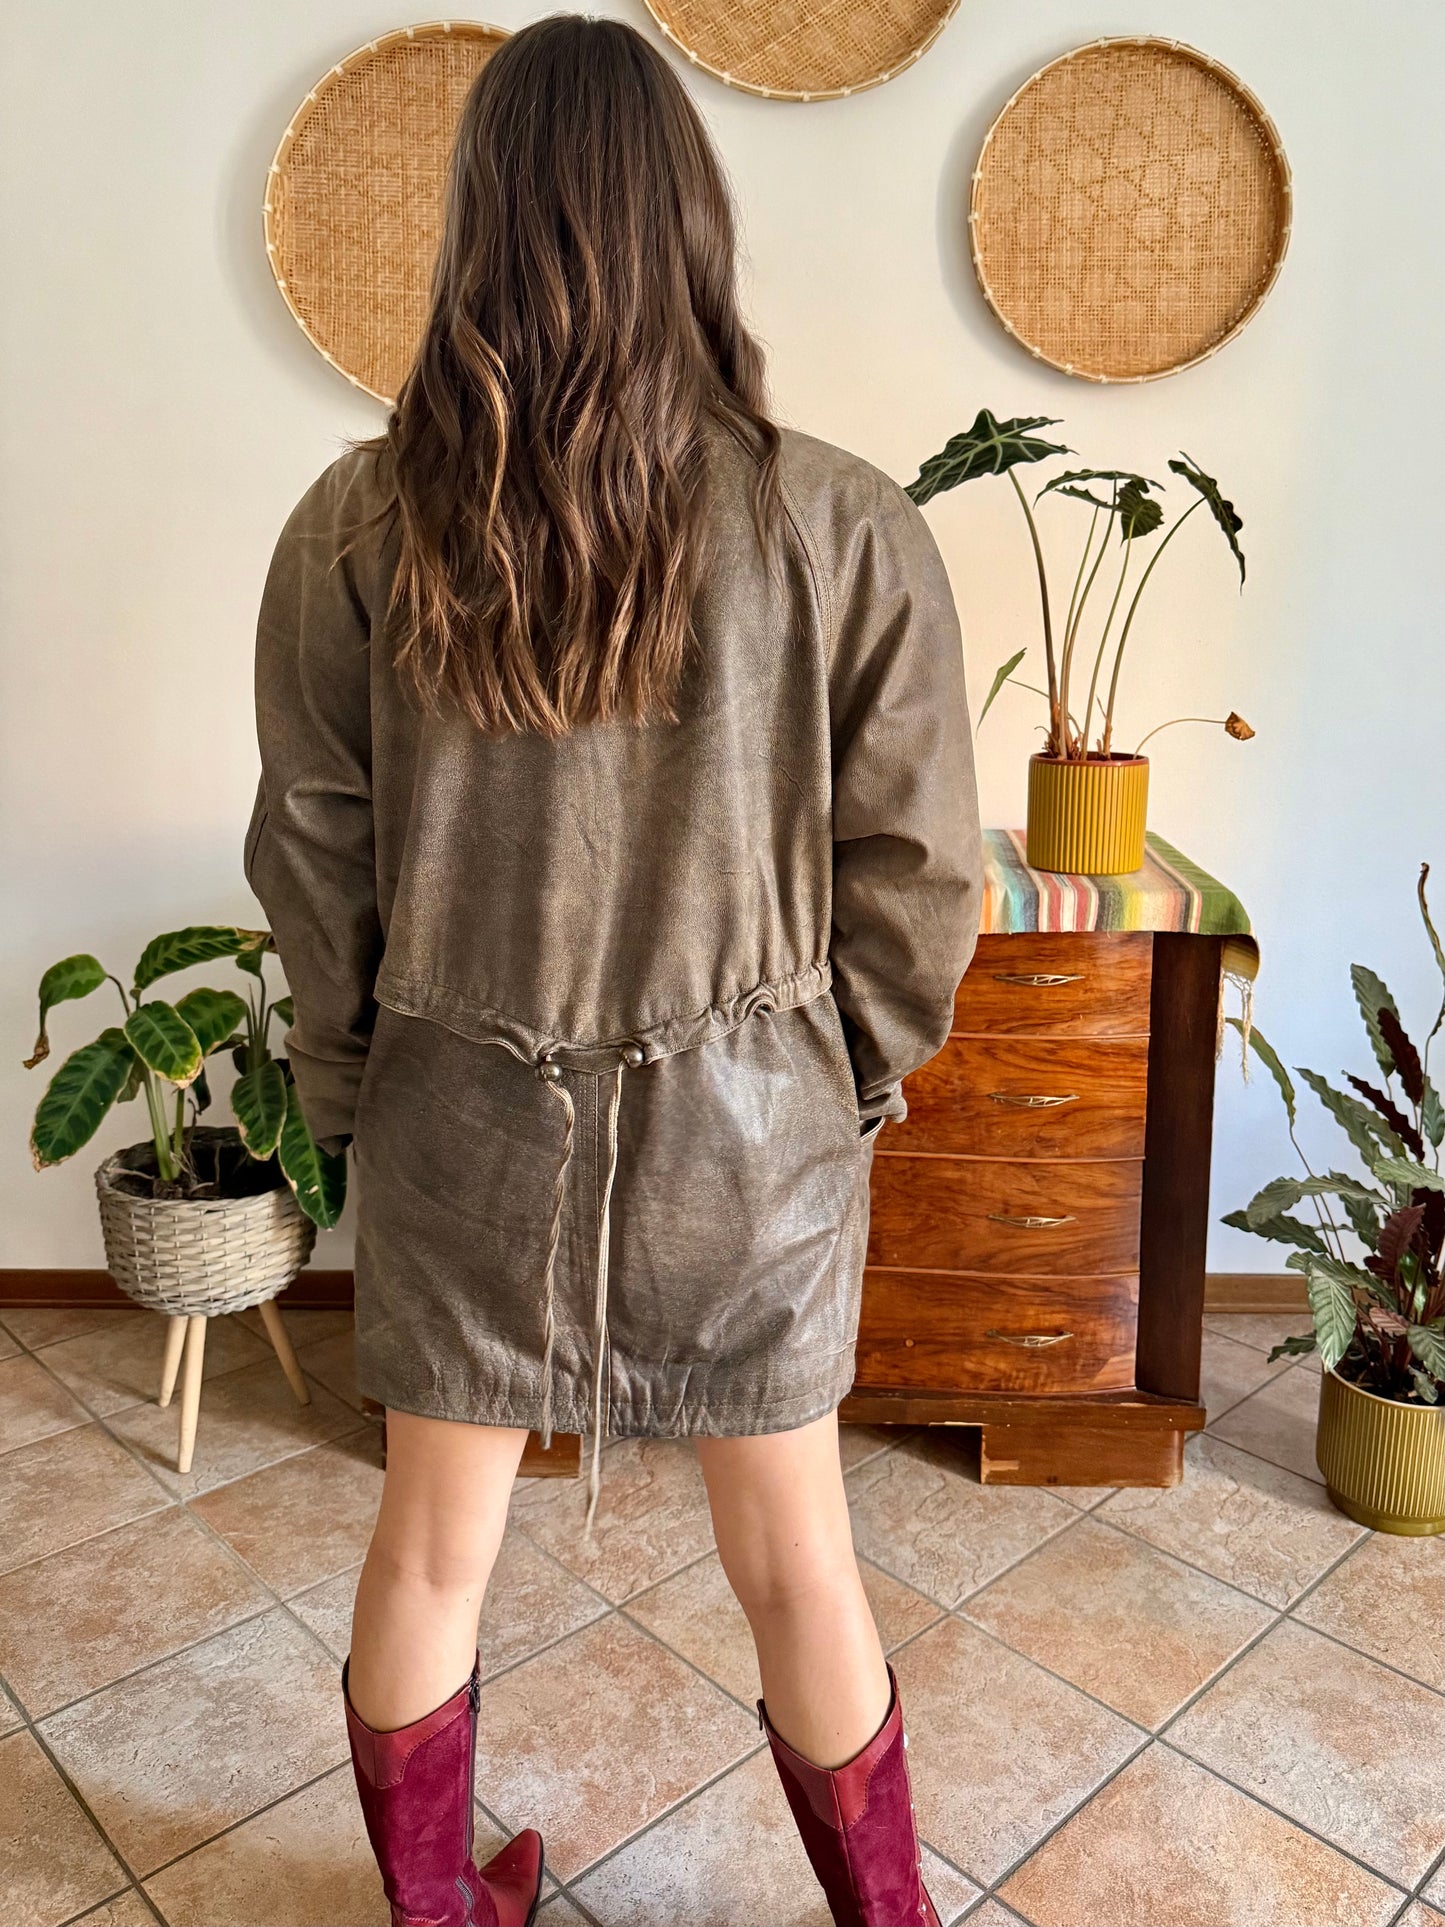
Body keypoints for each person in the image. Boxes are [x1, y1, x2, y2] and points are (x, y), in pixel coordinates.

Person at [247, 15, 981, 1927]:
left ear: (478, 224)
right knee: (800, 1561)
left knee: (426, 1553)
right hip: (750, 1151)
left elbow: (315, 862)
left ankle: (434, 1916)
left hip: (453, 1123)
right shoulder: (839, 520)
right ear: (690, 222)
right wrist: (837, 1086)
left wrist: (350, 1100)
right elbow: (917, 880)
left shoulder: (353, 521)